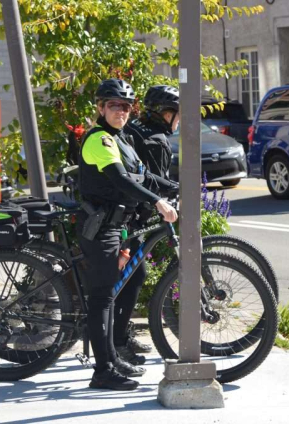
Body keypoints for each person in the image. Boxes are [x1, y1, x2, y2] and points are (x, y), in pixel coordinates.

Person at [77, 78, 178, 390]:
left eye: (125, 106)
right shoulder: (99, 140)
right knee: (102, 298)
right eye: (113, 105)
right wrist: (157, 201)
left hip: (115, 225)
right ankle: (103, 370)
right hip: (100, 228)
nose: (120, 110)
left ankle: (112, 354)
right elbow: (120, 180)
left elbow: (142, 175)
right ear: (100, 108)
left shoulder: (120, 139)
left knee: (128, 280)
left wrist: (177, 188)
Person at [111, 85, 180, 364]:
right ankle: (115, 342)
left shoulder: (137, 129)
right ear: (166, 113)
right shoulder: (155, 140)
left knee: (131, 276)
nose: (178, 120)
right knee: (128, 277)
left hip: (129, 212)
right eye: (177, 114)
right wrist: (169, 193)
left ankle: (118, 336)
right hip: (130, 215)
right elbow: (147, 178)